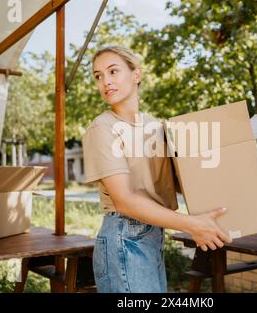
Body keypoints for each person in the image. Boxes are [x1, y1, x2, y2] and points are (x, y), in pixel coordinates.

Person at [82, 45, 232, 293]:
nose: (105, 82)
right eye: (98, 76)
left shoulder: (156, 127)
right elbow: (125, 201)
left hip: (153, 235)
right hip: (123, 236)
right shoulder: (103, 128)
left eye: (113, 71)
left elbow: (182, 180)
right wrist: (191, 225)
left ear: (136, 75)